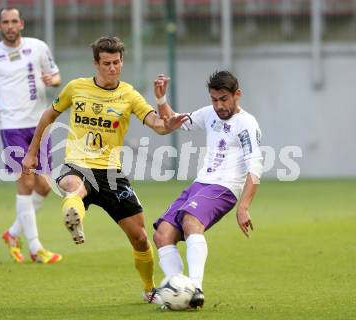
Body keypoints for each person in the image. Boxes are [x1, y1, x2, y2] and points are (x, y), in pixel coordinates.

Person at [22, 36, 187, 303]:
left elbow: (159, 125)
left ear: (122, 61)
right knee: (73, 186)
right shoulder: (76, 88)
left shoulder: (130, 95)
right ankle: (75, 218)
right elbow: (48, 116)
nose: (113, 68)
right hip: (77, 163)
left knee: (141, 238)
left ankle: (149, 289)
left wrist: (163, 105)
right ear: (96, 64)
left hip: (111, 174)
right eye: (107, 63)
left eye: (117, 63)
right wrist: (32, 153)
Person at [152, 71, 264, 309]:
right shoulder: (209, 113)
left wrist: (243, 207)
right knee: (162, 234)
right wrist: (161, 100)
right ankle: (177, 289)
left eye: (224, 99)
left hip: (225, 187)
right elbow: (173, 121)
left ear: (237, 95)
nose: (218, 105)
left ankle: (195, 289)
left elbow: (255, 167)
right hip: (200, 184)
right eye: (214, 99)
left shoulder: (246, 124)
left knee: (191, 221)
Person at [0, 7, 62, 264]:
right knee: (25, 182)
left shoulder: (37, 47)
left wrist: (52, 80)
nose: (10, 26)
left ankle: (13, 234)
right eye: (5, 22)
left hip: (40, 123)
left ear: (21, 24)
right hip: (11, 125)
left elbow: (56, 76)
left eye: (14, 21)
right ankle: (35, 248)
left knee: (44, 186)